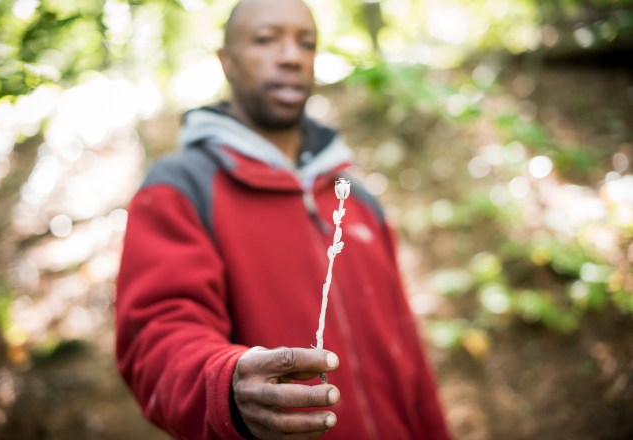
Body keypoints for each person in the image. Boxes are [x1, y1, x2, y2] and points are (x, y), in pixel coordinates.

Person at [115, 0, 452, 438]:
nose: (292, 56)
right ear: (226, 60)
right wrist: (227, 386)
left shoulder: (357, 198)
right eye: (265, 40)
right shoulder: (181, 188)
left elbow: (408, 353)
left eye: (306, 43)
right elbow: (157, 337)